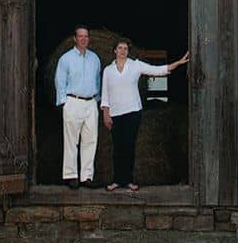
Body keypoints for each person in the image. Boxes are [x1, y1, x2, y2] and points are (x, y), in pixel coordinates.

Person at [100, 41, 189, 191]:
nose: (123, 51)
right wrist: (105, 113)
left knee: (129, 147)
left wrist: (178, 62)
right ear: (114, 50)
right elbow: (105, 93)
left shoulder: (135, 65)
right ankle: (116, 180)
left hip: (133, 111)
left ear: (128, 51)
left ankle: (128, 180)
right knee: (117, 148)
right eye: (120, 48)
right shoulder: (108, 70)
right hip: (115, 113)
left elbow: (157, 70)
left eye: (125, 48)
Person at [54, 25, 102, 188]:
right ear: (74, 39)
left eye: (86, 36)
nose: (83, 39)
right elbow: (59, 81)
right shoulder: (66, 59)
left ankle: (86, 176)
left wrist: (97, 99)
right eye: (80, 36)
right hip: (73, 101)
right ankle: (71, 175)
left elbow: (98, 81)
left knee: (90, 140)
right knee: (71, 140)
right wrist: (64, 103)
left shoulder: (95, 58)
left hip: (91, 103)